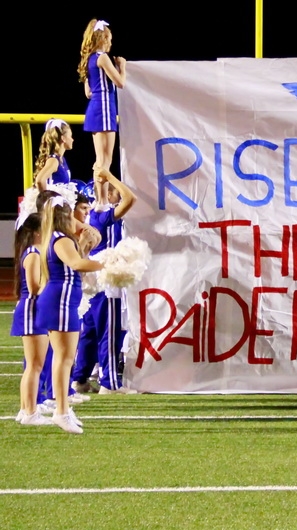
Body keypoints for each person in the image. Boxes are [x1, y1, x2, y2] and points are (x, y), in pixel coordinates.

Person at [36, 195, 104, 434]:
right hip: (60, 302)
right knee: (64, 359)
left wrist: (85, 246)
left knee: (64, 358)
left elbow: (77, 262)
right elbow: (77, 265)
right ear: (64, 216)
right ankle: (61, 411)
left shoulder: (55, 238)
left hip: (63, 300)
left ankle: (63, 408)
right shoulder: (61, 239)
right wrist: (108, 262)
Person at [72, 168, 137, 394]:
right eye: (114, 192)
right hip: (106, 278)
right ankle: (109, 383)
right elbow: (130, 198)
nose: (117, 195)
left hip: (91, 281)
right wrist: (110, 177)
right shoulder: (101, 215)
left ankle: (79, 379)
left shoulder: (88, 216)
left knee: (89, 332)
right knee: (109, 332)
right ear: (107, 195)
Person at [11, 214, 52, 426]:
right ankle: (29, 413)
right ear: (37, 232)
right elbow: (35, 287)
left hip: (34, 309)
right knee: (34, 365)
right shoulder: (34, 254)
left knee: (34, 365)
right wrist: (54, 284)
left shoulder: (34, 252)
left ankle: (25, 409)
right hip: (32, 309)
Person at [78, 19, 125, 200]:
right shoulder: (102, 57)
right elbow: (120, 82)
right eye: (109, 39)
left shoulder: (89, 59)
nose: (110, 43)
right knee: (105, 161)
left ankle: (100, 200)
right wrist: (123, 67)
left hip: (95, 108)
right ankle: (102, 201)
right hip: (104, 109)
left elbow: (88, 92)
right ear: (102, 38)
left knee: (100, 160)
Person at [33, 119, 73, 191]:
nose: (72, 139)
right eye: (70, 136)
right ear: (63, 138)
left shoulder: (62, 159)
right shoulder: (54, 160)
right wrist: (47, 199)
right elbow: (39, 180)